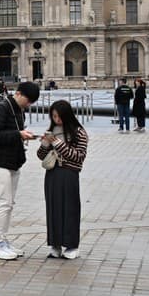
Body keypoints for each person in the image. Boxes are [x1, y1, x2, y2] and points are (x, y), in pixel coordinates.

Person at [0, 80, 40, 260]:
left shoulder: (17, 110)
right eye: (28, 101)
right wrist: (19, 134)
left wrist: (23, 134)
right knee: (3, 202)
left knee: (9, 203)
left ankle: (2, 240)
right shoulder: (1, 108)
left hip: (11, 160)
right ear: (19, 94)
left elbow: (11, 131)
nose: (29, 105)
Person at [36, 99, 89, 259]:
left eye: (59, 117)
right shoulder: (52, 130)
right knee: (53, 209)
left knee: (70, 209)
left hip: (69, 174)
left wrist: (58, 143)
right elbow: (40, 156)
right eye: (53, 116)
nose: (56, 120)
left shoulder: (79, 132)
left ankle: (72, 245)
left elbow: (78, 156)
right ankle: (55, 244)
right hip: (52, 174)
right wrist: (45, 144)